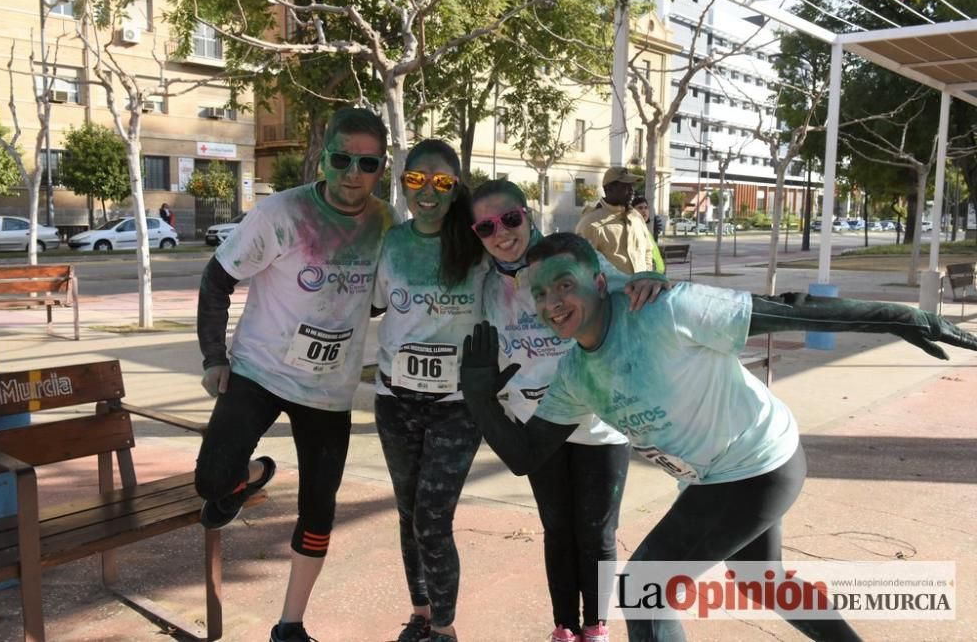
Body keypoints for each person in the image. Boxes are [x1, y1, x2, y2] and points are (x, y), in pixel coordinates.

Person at [460, 232, 977, 642]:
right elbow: (528, 455)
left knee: (645, 586)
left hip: (757, 464)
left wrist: (902, 315)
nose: (553, 302)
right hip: (716, 475)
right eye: (541, 292)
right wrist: (480, 401)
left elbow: (791, 310)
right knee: (760, 581)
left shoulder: (665, 311)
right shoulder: (575, 373)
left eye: (564, 284)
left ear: (599, 281)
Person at [194, 107, 396, 642]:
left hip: (328, 392)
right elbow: (216, 282)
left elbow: (379, 302)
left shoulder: (385, 223)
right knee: (211, 483)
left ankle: (290, 624)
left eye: (368, 162)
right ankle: (250, 476)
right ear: (322, 159)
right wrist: (214, 357)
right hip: (260, 371)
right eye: (342, 158)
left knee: (319, 509)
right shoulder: (279, 214)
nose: (354, 172)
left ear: (381, 168)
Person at [469, 180, 667, 642]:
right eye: (486, 226)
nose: (501, 233)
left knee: (596, 531)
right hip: (536, 425)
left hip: (598, 423)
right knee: (556, 528)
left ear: (527, 213)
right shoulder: (485, 284)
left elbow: (618, 287)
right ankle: (564, 626)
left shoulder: (567, 256)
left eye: (510, 219)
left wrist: (650, 281)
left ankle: (596, 625)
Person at [371, 139, 489, 642]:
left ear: (456, 187)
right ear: (403, 183)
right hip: (395, 401)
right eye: (416, 180)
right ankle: (420, 615)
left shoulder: (479, 241)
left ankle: (445, 628)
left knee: (432, 518)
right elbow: (371, 304)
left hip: (457, 406)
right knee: (407, 513)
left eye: (441, 182)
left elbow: (542, 259)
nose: (427, 192)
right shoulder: (391, 243)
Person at [576, 167, 654, 274]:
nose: (632, 191)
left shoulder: (636, 217)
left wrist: (647, 274)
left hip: (642, 287)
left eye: (632, 186)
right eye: (626, 186)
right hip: (612, 289)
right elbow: (583, 263)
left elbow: (648, 250)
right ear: (609, 189)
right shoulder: (590, 223)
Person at [630, 194, 664, 274]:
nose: (644, 211)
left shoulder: (646, 231)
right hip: (644, 275)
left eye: (646, 208)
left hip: (656, 273)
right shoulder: (633, 229)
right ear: (632, 211)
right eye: (640, 208)